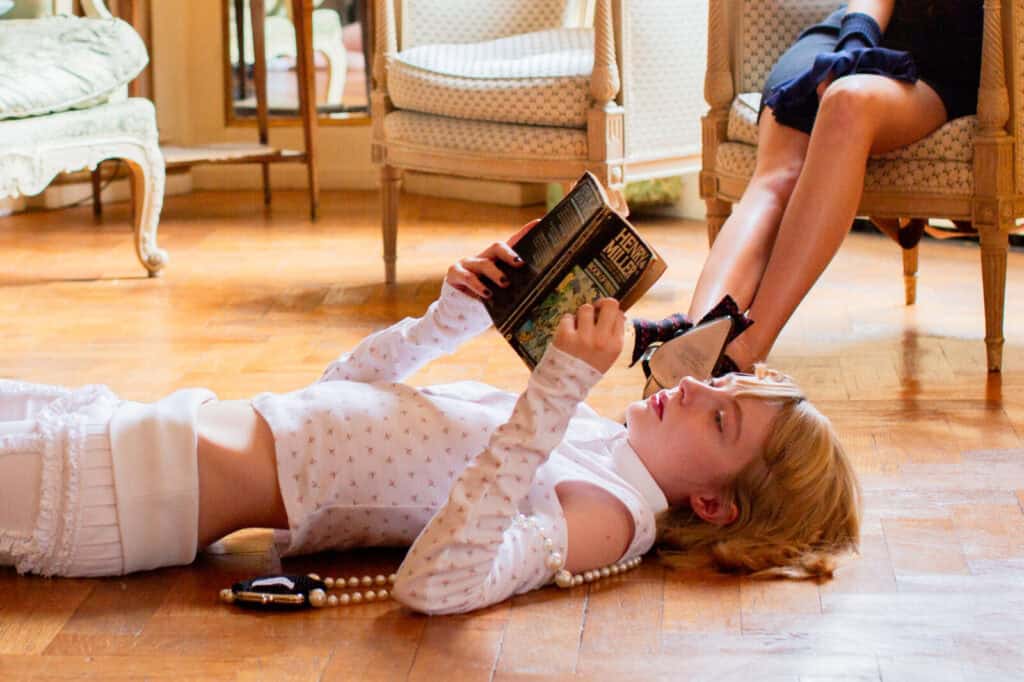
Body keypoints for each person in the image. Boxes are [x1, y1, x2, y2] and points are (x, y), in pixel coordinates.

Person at [0, 229, 861, 615]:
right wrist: (452, 319)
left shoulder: (612, 517)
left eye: (723, 426)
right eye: (728, 390)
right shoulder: (595, 442)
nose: (703, 392)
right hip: (129, 432)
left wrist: (558, 385)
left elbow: (434, 586)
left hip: (121, 489)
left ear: (713, 506)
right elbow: (331, 405)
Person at [688, 1, 983, 375]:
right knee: (777, 177)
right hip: (852, 35)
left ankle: (744, 352)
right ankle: (690, 350)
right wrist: (853, 49)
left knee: (847, 101)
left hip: (942, 62)